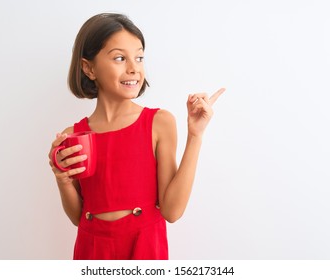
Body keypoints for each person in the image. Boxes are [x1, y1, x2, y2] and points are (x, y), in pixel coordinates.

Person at [48, 13, 224, 260]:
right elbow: (78, 217)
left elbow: (172, 211)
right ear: (88, 68)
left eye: (139, 57)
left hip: (144, 249)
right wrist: (63, 180)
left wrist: (195, 135)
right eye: (119, 58)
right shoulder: (73, 136)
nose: (133, 68)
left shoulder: (159, 123)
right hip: (91, 251)